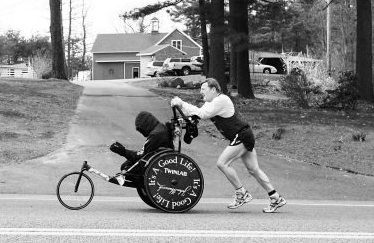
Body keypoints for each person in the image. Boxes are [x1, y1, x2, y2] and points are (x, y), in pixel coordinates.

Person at [170, 78, 286, 213]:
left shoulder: (221, 100)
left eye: (203, 89)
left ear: (213, 89)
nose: (201, 92)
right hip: (242, 136)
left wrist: (181, 103)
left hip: (242, 136)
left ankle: (241, 193)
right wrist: (181, 109)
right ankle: (275, 197)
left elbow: (202, 114)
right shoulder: (211, 102)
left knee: (222, 163)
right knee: (254, 170)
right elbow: (197, 114)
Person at [109, 111, 174, 187]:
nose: (141, 133)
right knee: (126, 164)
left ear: (146, 125)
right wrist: (123, 151)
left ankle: (145, 184)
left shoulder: (155, 135)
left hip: (154, 165)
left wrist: (122, 151)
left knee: (125, 168)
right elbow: (144, 154)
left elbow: (142, 157)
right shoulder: (160, 129)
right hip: (158, 160)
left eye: (141, 130)